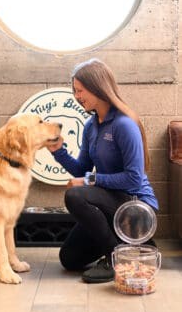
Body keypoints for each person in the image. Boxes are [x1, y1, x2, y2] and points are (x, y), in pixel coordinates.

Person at [47, 57, 159, 283]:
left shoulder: (124, 124)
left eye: (80, 91)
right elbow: (82, 168)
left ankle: (115, 257)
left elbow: (134, 178)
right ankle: (134, 244)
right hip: (111, 202)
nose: (77, 97)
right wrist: (58, 151)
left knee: (75, 195)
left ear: (97, 87)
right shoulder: (91, 125)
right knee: (69, 258)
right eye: (75, 91)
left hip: (136, 204)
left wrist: (89, 180)